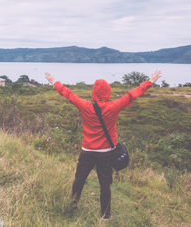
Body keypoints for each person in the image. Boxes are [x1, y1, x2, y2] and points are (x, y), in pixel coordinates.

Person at [44, 70, 162, 219]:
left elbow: (68, 94)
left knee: (79, 178)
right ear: (108, 93)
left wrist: (54, 81)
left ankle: (73, 204)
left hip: (87, 150)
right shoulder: (114, 106)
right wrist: (150, 81)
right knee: (105, 184)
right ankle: (105, 215)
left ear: (93, 93)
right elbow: (132, 94)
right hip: (105, 153)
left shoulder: (85, 106)